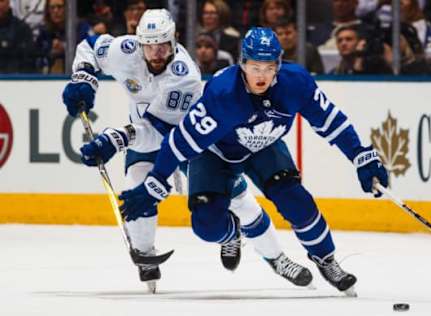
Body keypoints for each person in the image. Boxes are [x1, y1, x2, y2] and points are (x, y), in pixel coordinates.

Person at [110, 27, 389, 295]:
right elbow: (180, 142)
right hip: (215, 154)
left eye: (269, 67)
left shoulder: (296, 82)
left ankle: (327, 260)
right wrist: (154, 182)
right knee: (206, 224)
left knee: (296, 200)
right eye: (255, 66)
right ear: (242, 63)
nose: (262, 75)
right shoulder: (223, 95)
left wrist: (362, 157)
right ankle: (232, 234)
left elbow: (333, 123)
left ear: (279, 64)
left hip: (264, 146)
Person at [62, 10, 312, 292]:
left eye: (163, 45)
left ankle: (277, 258)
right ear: (138, 41)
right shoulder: (125, 49)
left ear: (175, 40)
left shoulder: (184, 77)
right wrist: (83, 78)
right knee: (136, 187)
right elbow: (89, 47)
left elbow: (162, 133)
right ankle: (146, 256)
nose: (156, 53)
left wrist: (117, 138)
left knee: (239, 199)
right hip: (142, 133)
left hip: (193, 140)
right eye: (149, 45)